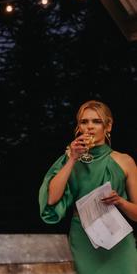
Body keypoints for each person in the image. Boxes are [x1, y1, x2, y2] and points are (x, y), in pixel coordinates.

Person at [39, 100, 137, 274]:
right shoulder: (69, 159)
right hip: (83, 238)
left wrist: (120, 201)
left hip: (118, 240)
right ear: (78, 127)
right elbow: (52, 198)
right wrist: (72, 159)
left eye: (96, 121)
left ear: (108, 126)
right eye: (84, 122)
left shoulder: (125, 161)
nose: (90, 127)